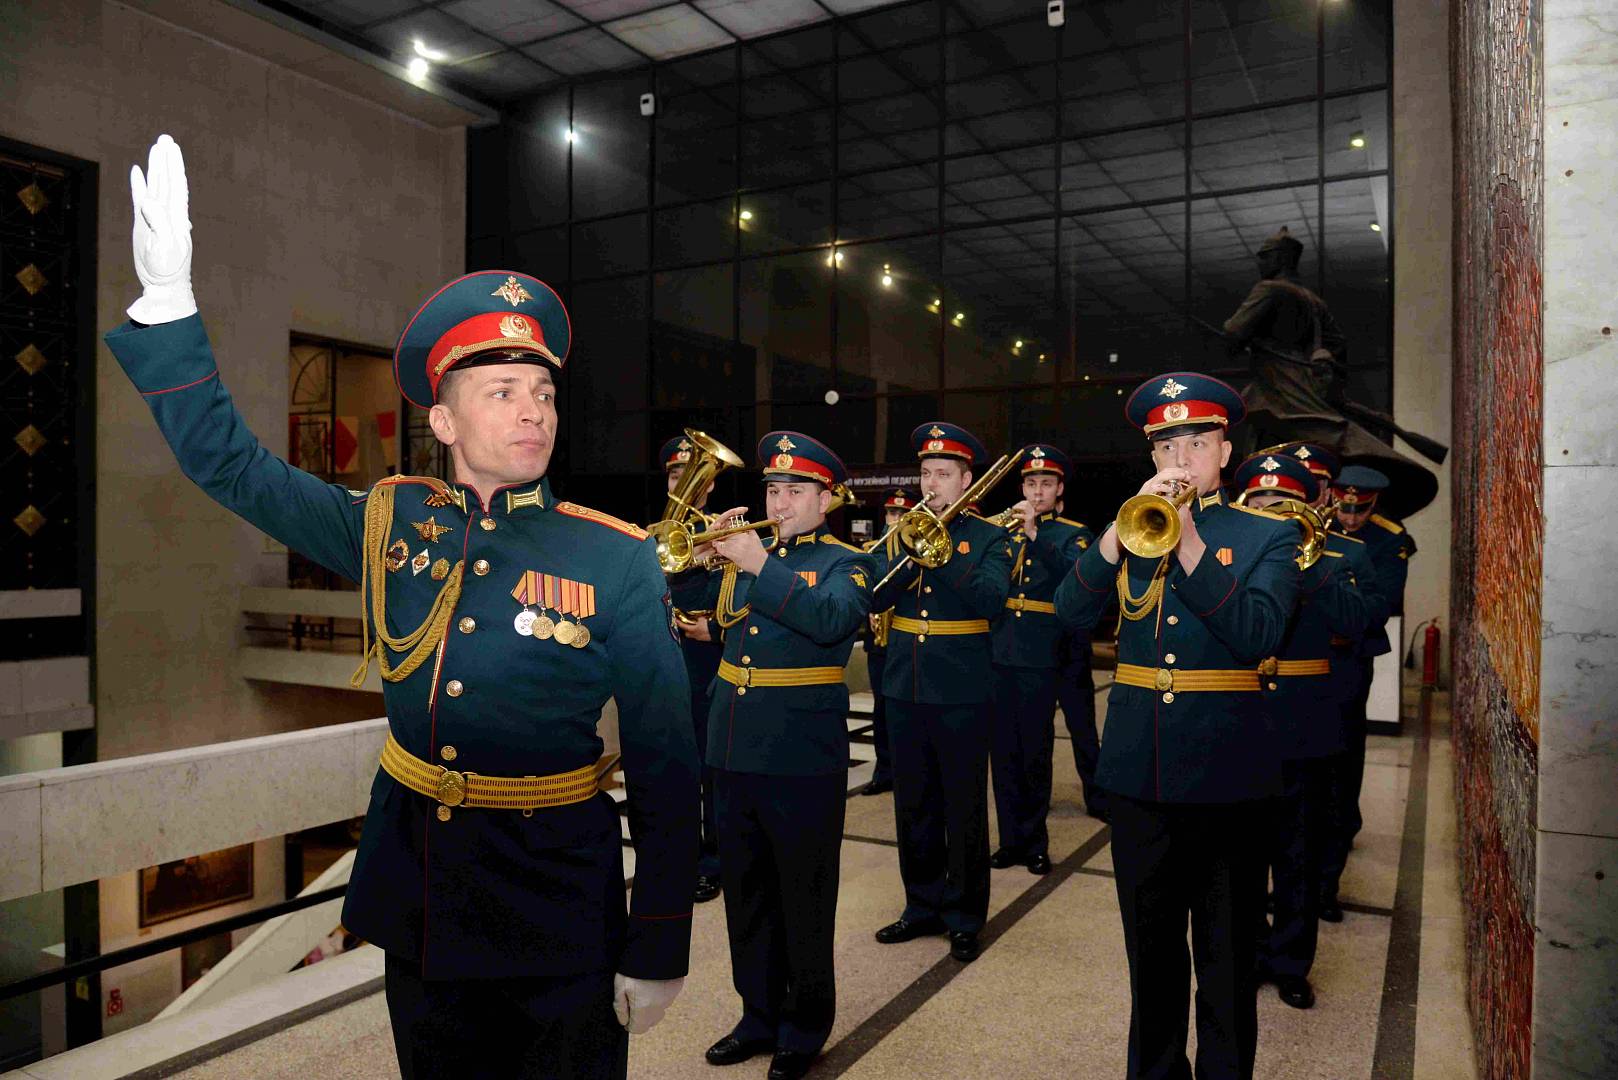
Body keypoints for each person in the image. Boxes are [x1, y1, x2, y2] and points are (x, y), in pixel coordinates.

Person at [105, 136, 698, 1079]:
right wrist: (172, 306)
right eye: (502, 391)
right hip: (424, 898)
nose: (534, 410)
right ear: (445, 420)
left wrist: (659, 937)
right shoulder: (388, 522)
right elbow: (233, 467)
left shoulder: (615, 557)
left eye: (543, 391)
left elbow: (666, 763)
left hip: (560, 906)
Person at [1055, 372, 1299, 1080]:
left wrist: (1188, 544)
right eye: (1167, 446)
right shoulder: (1131, 528)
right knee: (1152, 958)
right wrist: (1115, 537)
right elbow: (1069, 613)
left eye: (1195, 443)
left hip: (1229, 777)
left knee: (1226, 961)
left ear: (1225, 450)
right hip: (1139, 776)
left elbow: (1257, 635)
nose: (1180, 459)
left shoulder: (1267, 535)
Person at [670, 432, 875, 1080]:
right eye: (772, 490)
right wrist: (706, 554)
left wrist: (760, 563)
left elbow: (832, 621)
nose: (778, 503)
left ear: (826, 499)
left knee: (803, 899)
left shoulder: (847, 562)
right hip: (733, 745)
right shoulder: (745, 557)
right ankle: (757, 1015)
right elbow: (709, 615)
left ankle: (803, 1028)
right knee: (747, 896)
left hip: (801, 755)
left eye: (794, 491)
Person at [1231, 445, 1378, 1009]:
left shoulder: (1341, 556)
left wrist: (1308, 562)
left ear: (1309, 505)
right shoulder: (1227, 556)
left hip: (1305, 721)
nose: (1270, 511)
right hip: (1242, 719)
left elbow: (1356, 622)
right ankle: (1245, 956)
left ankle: (1291, 963)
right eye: (1260, 502)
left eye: (1283, 502)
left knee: (1298, 856)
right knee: (1242, 857)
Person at [870, 423, 1014, 964]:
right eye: (926, 473)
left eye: (944, 474)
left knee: (963, 808)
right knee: (914, 805)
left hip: (962, 689)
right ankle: (921, 906)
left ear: (966, 481)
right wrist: (910, 553)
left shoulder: (991, 537)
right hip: (904, 685)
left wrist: (941, 553)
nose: (932, 484)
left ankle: (965, 916)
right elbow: (875, 598)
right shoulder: (903, 532)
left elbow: (991, 601)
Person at [1221, 225, 1440, 517]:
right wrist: (1322, 362)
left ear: (1280, 258)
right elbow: (1337, 345)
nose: (1260, 262)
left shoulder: (1270, 290)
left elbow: (1233, 332)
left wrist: (1255, 340)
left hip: (1278, 387)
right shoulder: (1313, 301)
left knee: (1270, 453)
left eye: (1265, 256)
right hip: (1303, 384)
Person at [989, 445, 1092, 875]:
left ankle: (1034, 842)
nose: (1036, 491)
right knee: (1003, 753)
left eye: (1046, 484)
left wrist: (1035, 535)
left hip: (1041, 653)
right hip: (999, 651)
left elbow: (1078, 577)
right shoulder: (1002, 529)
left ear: (1059, 489)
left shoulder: (1071, 534)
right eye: (1030, 484)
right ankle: (1009, 841)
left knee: (1034, 750)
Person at [1319, 464, 1415, 921]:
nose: (1351, 517)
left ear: (1374, 505)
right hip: (1306, 657)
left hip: (1350, 658)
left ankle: (1339, 840)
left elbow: (1383, 604)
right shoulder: (1318, 527)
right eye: (1345, 508)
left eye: (1360, 510)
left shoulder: (1390, 539)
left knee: (1343, 752)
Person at [661, 434, 725, 902]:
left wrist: (715, 628)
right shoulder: (645, 536)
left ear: (710, 485)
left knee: (711, 769)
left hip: (706, 663)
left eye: (693, 475)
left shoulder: (726, 534)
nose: (682, 483)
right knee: (668, 769)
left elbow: (734, 600)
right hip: (662, 664)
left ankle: (712, 862)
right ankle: (674, 858)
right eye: (675, 475)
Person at [859, 488, 914, 797]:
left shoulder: (918, 546)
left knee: (907, 712)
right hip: (879, 642)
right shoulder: (872, 549)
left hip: (905, 639)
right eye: (892, 513)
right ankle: (884, 772)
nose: (895, 519)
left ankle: (907, 773)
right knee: (881, 709)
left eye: (902, 514)